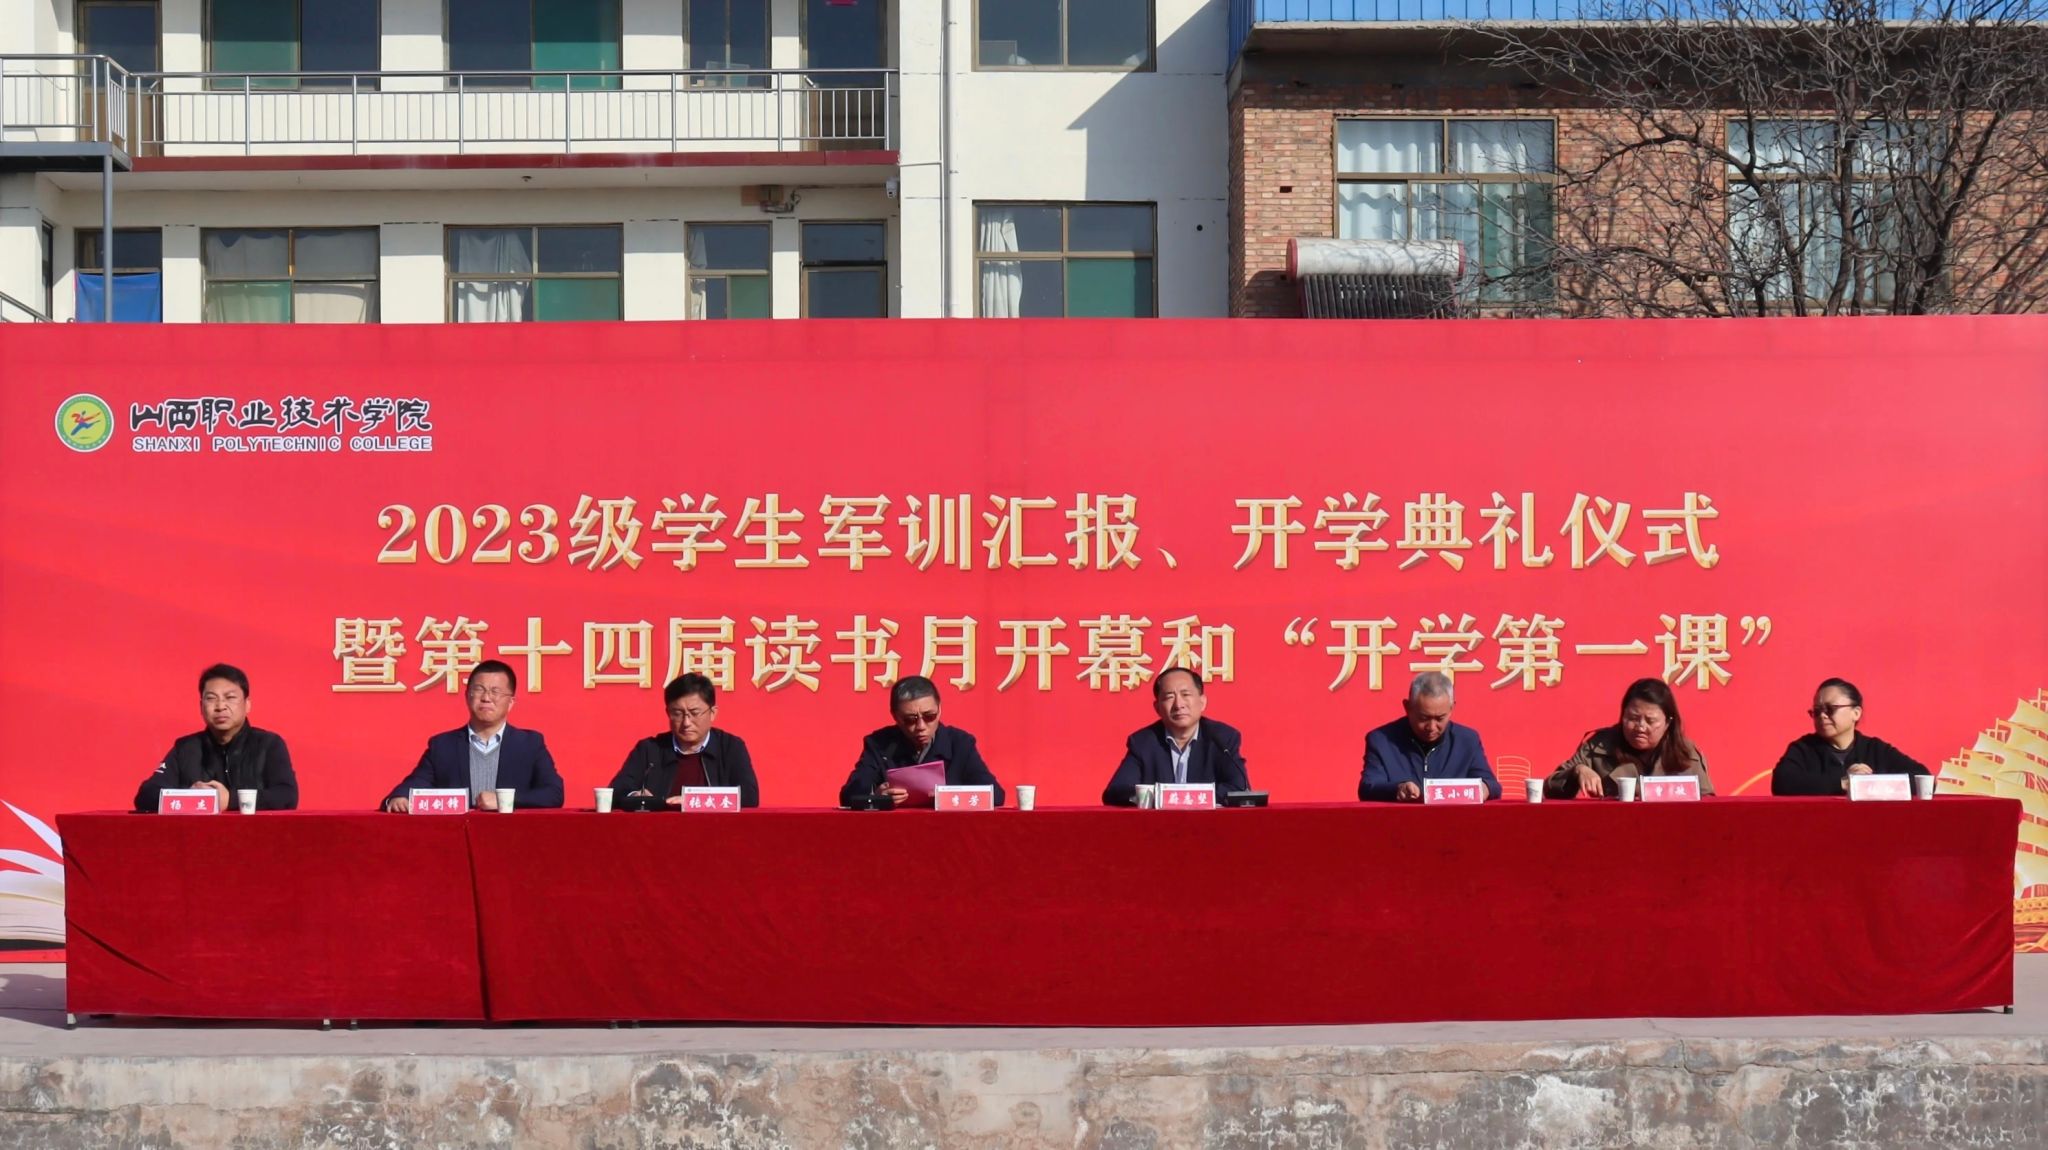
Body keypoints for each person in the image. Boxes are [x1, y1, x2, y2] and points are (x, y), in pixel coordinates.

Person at [381, 660, 563, 811]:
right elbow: (415, 784)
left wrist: (503, 801)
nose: (486, 698)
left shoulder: (529, 744)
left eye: (495, 691)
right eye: (479, 689)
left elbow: (554, 793)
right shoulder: (443, 745)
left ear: (510, 702)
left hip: (512, 838)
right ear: (467, 696)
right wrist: (399, 797)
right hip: (457, 838)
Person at [135, 663, 298, 812]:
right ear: (201, 706)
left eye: (230, 698)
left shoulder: (269, 745)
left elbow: (287, 795)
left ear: (247, 704)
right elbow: (146, 795)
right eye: (211, 698)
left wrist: (231, 800)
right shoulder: (185, 748)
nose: (220, 706)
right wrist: (189, 797)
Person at [839, 676, 1004, 807]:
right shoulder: (879, 744)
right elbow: (848, 796)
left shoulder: (960, 744)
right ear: (895, 716)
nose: (921, 727)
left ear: (939, 710)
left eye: (929, 716)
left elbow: (996, 796)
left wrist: (948, 796)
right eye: (910, 720)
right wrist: (876, 797)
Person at [1544, 677, 1714, 798]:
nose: (1640, 727)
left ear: (1667, 722)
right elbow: (1549, 788)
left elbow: (1708, 803)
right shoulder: (1599, 746)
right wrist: (1577, 771)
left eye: (1650, 721)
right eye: (1633, 718)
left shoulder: (1685, 753)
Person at [609, 673, 761, 808]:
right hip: (660, 829)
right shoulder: (650, 749)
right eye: (677, 713)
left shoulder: (730, 747)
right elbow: (616, 792)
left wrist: (694, 801)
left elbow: (749, 796)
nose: (686, 722)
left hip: (715, 828)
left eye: (694, 713)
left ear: (712, 713)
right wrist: (636, 797)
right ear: (668, 713)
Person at [1102, 667, 1249, 805]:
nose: (1179, 705)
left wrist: (1183, 797)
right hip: (1159, 823)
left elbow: (1239, 787)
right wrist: (1163, 797)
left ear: (1202, 702)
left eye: (1186, 695)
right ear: (1157, 708)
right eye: (1169, 697)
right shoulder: (1142, 742)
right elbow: (1116, 792)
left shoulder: (1222, 738)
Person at [1771, 677, 1929, 795]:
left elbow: (1923, 779)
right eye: (1817, 711)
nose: (1823, 716)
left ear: (1856, 713)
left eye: (1831, 709)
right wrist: (1842, 783)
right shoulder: (1804, 748)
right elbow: (1782, 783)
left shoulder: (1875, 749)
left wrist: (1870, 783)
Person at [1359, 671, 1499, 802]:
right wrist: (1398, 788)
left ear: (1451, 708)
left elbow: (1492, 785)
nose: (1431, 727)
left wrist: (1483, 789)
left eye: (1440, 718)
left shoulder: (1467, 740)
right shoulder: (1382, 741)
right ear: (1407, 707)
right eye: (1423, 718)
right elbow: (1368, 787)